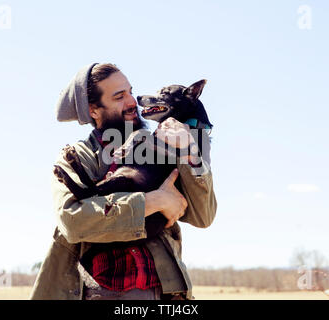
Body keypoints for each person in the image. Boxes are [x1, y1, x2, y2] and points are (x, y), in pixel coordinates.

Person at [30, 63, 217, 300]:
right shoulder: (77, 157)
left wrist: (191, 152)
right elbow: (72, 220)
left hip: (167, 295)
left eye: (130, 91)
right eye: (119, 96)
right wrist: (153, 202)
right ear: (93, 110)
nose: (132, 102)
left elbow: (203, 216)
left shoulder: (166, 145)